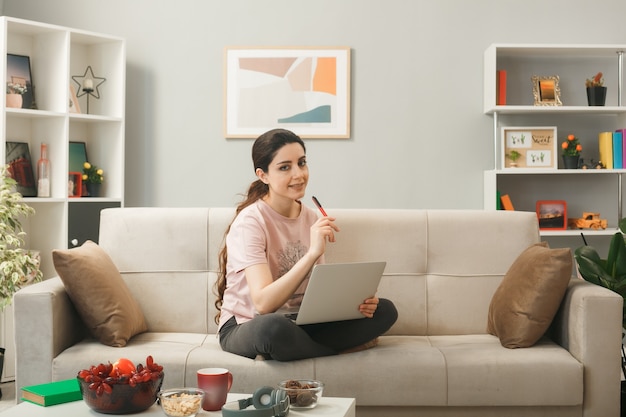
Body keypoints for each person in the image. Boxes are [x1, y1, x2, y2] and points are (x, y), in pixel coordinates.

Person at [215, 128, 397, 361]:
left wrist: (355, 303)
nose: (298, 174)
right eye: (285, 167)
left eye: (302, 163)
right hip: (248, 324)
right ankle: (336, 351)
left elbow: (315, 294)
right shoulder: (250, 222)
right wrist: (311, 254)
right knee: (272, 329)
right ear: (263, 175)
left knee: (384, 310)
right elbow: (263, 304)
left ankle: (295, 351)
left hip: (298, 322)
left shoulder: (312, 218)